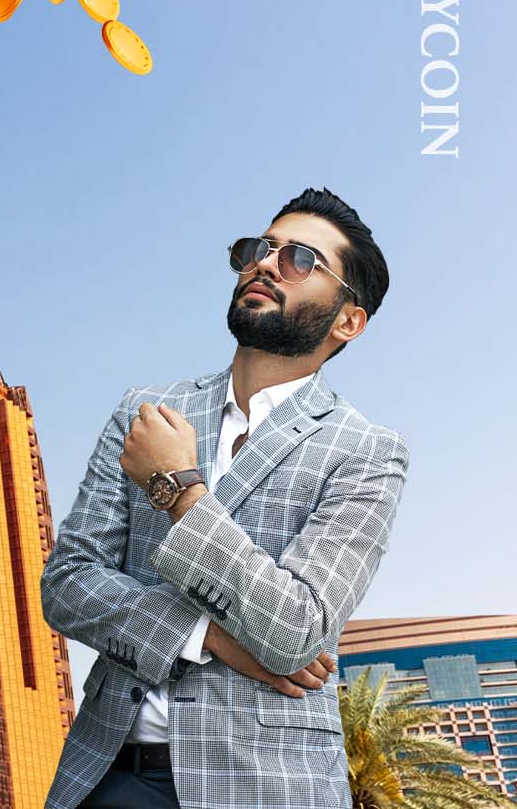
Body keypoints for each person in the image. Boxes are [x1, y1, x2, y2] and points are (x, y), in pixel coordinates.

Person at [40, 187, 408, 809]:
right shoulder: (146, 412)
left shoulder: (367, 452)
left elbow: (296, 630)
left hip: (268, 785)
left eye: (300, 259)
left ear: (349, 320)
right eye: (259, 248)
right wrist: (209, 636)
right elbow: (68, 585)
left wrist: (179, 491)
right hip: (112, 771)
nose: (265, 262)